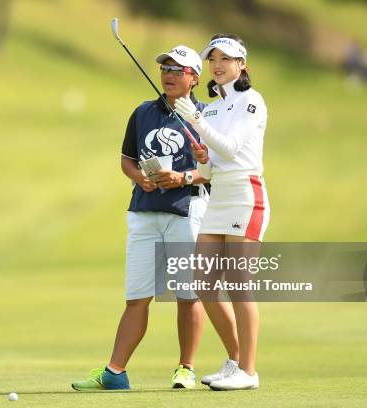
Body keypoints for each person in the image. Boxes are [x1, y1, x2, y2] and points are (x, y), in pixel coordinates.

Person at [71, 45, 210, 391]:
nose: (168, 74)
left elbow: (216, 168)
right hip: (144, 212)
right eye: (165, 68)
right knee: (136, 297)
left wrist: (183, 177)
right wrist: (139, 177)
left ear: (194, 78)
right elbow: (127, 160)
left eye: (178, 70)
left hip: (186, 211)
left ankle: (185, 368)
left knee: (188, 294)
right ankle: (115, 373)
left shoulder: (208, 115)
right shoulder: (143, 112)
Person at [174, 34, 270, 391]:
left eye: (226, 58)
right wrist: (201, 159)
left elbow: (230, 149)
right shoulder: (213, 108)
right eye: (212, 58)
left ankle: (248, 370)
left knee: (239, 285)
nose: (218, 64)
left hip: (247, 194)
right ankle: (234, 362)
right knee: (204, 282)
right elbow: (214, 166)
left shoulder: (251, 100)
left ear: (241, 64)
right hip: (219, 195)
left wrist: (197, 120)